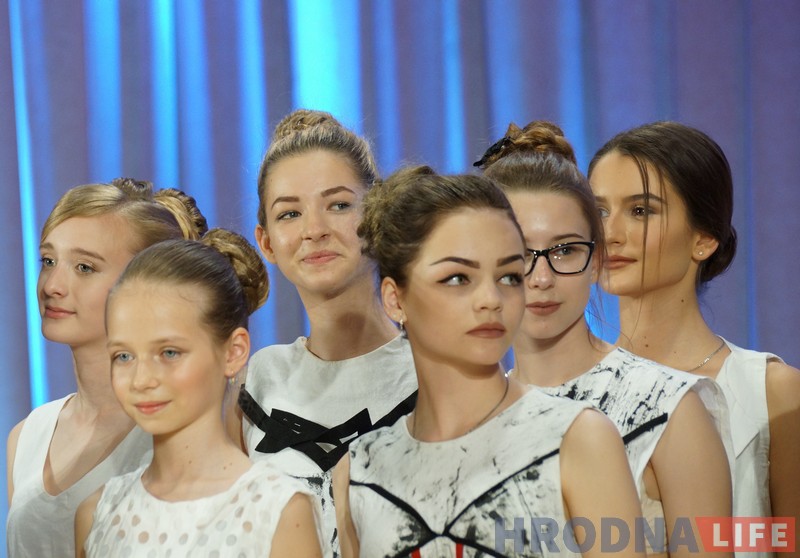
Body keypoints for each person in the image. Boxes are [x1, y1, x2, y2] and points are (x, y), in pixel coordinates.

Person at [333, 166, 645, 558]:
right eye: (458, 278)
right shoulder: (359, 470)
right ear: (395, 299)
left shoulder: (577, 438)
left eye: (509, 277)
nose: (491, 300)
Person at [477, 121, 733, 558]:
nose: (540, 278)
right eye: (518, 253)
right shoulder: (470, 416)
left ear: (597, 260)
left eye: (565, 250)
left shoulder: (667, 406)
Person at [588, 121, 800, 540]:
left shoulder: (771, 390)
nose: (610, 234)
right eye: (599, 212)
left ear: (703, 238)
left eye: (641, 211)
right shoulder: (568, 390)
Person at [74, 230, 323, 557]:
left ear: (233, 352)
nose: (141, 379)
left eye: (169, 353)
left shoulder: (279, 510)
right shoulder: (97, 515)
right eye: (124, 356)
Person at [236, 109, 417, 555]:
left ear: (377, 216)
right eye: (290, 213)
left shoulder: (434, 372)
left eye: (338, 205)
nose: (314, 230)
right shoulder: (256, 381)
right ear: (266, 241)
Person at [6, 178, 207, 557]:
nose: (53, 285)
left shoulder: (181, 432)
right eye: (48, 261)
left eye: (84, 267)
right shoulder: (27, 437)